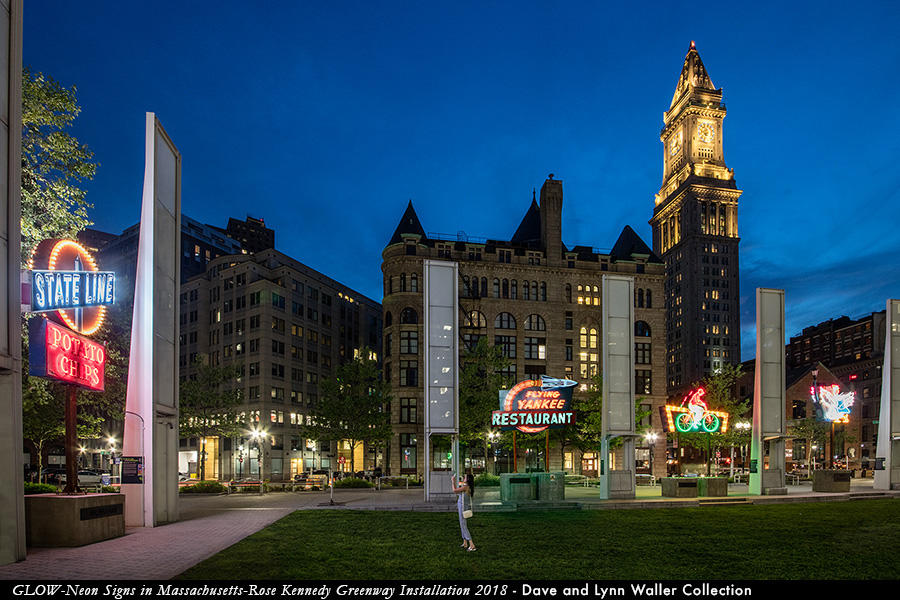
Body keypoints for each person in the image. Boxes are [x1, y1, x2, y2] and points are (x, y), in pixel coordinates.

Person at [452, 470, 476, 551]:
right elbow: (458, 490)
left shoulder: (466, 487)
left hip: (462, 508)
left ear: (468, 479)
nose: (464, 478)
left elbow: (455, 490)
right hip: (462, 506)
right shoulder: (466, 486)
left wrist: (452, 482)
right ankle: (465, 542)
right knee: (462, 524)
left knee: (463, 525)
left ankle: (471, 544)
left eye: (465, 477)